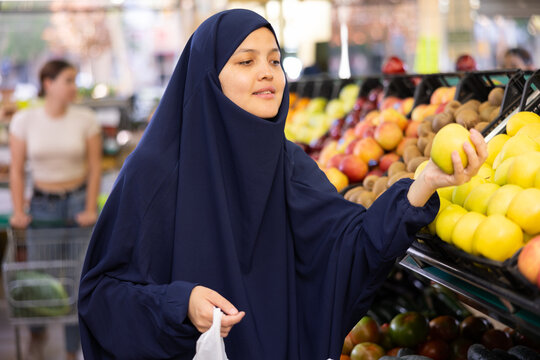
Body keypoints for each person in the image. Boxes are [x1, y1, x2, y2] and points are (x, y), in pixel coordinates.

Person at [78, 9, 487, 359]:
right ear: (208, 77)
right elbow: (101, 296)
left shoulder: (286, 162)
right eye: (246, 62)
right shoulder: (155, 171)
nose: (266, 73)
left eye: (274, 61)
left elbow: (349, 247)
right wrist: (179, 304)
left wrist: (425, 182)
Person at [9, 59, 102, 360]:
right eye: (68, 80)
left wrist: (90, 207)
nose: (74, 87)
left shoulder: (86, 118)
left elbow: (95, 167)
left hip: (77, 204)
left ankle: (71, 350)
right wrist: (18, 209)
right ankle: (36, 333)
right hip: (42, 206)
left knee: (78, 278)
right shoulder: (25, 120)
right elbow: (17, 169)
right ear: (48, 83)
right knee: (43, 276)